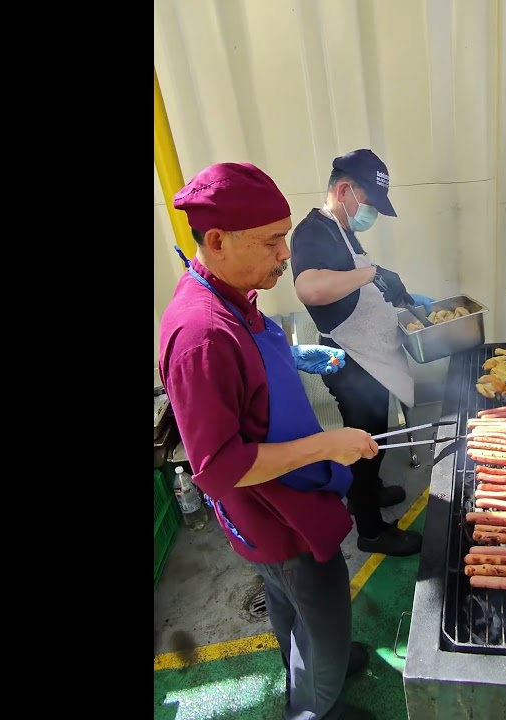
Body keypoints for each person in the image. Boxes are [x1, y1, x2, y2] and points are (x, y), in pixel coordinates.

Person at [159, 161, 380, 720]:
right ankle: (315, 708)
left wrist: (292, 355)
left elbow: (247, 361)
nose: (287, 253)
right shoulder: (202, 335)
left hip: (268, 510)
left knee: (287, 602)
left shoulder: (229, 290)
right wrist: (329, 445)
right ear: (217, 240)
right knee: (319, 600)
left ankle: (311, 662)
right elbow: (217, 468)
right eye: (273, 241)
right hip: (274, 510)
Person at [290, 149, 430, 557]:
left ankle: (364, 493)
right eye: (368, 204)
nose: (369, 215)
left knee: (376, 437)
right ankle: (371, 530)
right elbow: (310, 288)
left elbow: (351, 283)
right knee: (363, 443)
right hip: (349, 358)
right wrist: (373, 273)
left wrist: (398, 296)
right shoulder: (313, 230)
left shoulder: (342, 229)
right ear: (346, 190)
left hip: (371, 357)